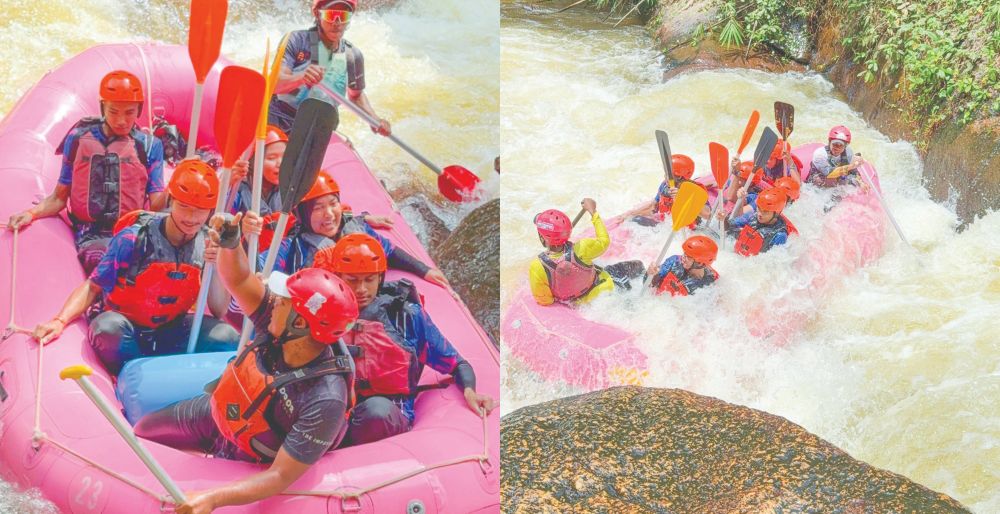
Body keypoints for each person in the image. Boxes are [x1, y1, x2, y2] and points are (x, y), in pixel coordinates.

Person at [135, 213, 360, 511]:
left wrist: (213, 498)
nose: (273, 300)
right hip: (217, 415)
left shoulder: (326, 398)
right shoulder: (279, 323)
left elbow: (280, 476)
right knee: (142, 432)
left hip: (252, 455)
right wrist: (231, 242)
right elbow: (240, 279)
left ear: (301, 324)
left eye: (283, 301)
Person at [30, 160, 238, 374]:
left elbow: (219, 310)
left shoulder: (207, 242)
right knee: (107, 329)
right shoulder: (134, 238)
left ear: (210, 211)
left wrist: (216, 262)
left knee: (227, 337)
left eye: (200, 211)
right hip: (127, 327)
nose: (191, 218)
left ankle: (169, 373)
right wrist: (59, 320)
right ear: (171, 200)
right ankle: (133, 373)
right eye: (184, 206)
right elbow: (93, 287)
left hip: (169, 329)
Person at [311, 233, 495, 444]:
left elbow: (456, 363)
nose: (361, 289)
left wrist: (470, 391)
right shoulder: (321, 313)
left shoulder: (407, 316)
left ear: (380, 278)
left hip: (388, 409)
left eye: (369, 280)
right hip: (334, 405)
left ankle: (329, 443)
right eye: (352, 280)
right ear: (338, 279)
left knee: (376, 412)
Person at [6, 70, 166, 273]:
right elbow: (58, 198)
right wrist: (30, 213)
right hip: (89, 232)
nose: (121, 120)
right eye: (113, 111)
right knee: (102, 258)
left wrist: (180, 183)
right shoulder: (78, 137)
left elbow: (157, 205)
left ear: (139, 110)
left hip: (129, 230)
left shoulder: (150, 146)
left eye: (129, 112)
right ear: (102, 107)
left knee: (138, 262)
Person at [253, 171, 448, 287]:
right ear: (303, 215)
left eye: (333, 204)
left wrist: (424, 270)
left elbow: (390, 251)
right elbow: (258, 269)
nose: (329, 214)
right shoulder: (292, 248)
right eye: (318, 208)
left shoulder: (358, 230)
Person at [269, 0, 390, 136]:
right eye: (331, 15)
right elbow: (273, 84)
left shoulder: (352, 56)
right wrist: (301, 77)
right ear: (317, 14)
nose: (337, 23)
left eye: (343, 17)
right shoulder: (296, 40)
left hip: (321, 125)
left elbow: (355, 96)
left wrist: (374, 119)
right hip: (281, 116)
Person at [529, 198, 644, 306]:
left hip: (579, 303)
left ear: (542, 238)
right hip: (601, 289)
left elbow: (545, 300)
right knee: (638, 265)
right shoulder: (582, 248)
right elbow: (604, 241)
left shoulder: (537, 267)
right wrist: (593, 212)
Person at [618, 154, 711, 227]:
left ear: (679, 176)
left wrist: (684, 198)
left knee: (636, 220)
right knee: (635, 220)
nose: (665, 176)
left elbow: (707, 215)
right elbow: (653, 206)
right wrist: (631, 213)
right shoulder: (665, 185)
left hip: (687, 230)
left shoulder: (695, 189)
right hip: (665, 225)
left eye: (668, 174)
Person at [725, 187, 793, 257]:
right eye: (759, 208)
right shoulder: (753, 216)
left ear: (776, 213)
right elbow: (729, 226)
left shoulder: (779, 235)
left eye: (765, 212)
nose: (760, 214)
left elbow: (772, 261)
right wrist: (723, 219)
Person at [647, 235, 719, 296]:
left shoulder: (710, 282)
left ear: (700, 263)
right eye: (684, 253)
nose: (683, 258)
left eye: (688, 256)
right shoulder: (674, 261)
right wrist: (652, 275)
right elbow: (649, 285)